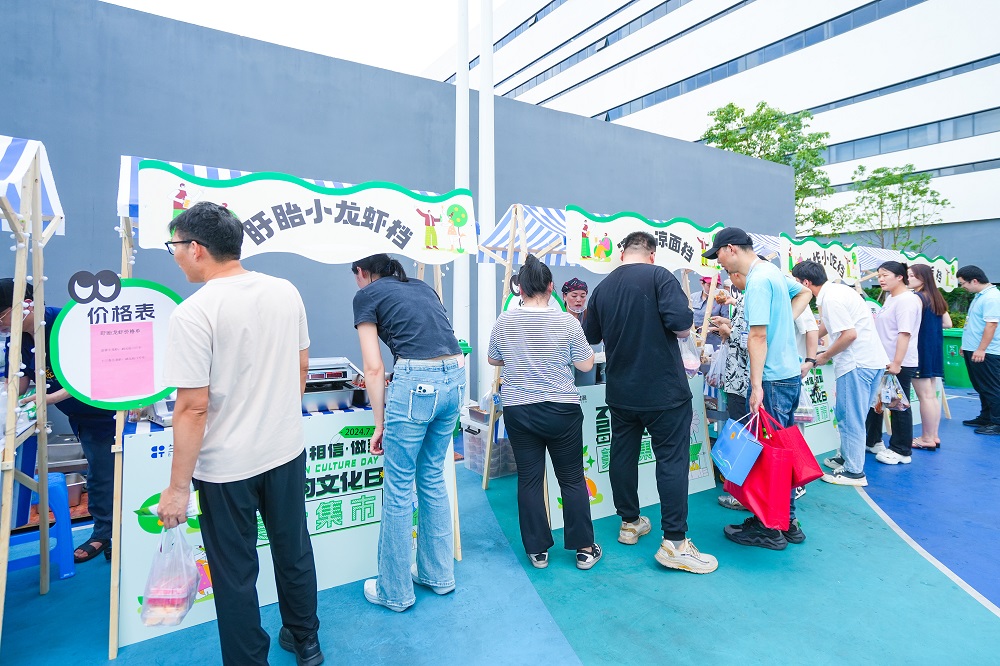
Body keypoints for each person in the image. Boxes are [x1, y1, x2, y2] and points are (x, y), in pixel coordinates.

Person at [155, 202, 322, 666]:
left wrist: (177, 489)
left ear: (196, 248)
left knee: (234, 572)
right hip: (285, 449)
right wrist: (274, 414)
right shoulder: (285, 290)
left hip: (226, 467)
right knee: (293, 548)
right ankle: (306, 640)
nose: (175, 255)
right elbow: (301, 366)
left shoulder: (194, 313)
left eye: (174, 246)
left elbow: (192, 407)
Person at [584, 231, 718, 574]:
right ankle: (674, 542)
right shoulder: (660, 276)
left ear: (622, 254)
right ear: (652, 254)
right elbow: (682, 326)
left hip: (621, 390)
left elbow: (591, 336)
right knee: (672, 460)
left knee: (622, 455)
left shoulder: (603, 287)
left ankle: (629, 522)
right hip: (663, 391)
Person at [351, 253, 465, 609]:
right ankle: (438, 575)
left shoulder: (366, 295)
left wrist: (379, 423)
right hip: (456, 378)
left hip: (417, 385)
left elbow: (372, 368)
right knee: (431, 477)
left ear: (362, 272)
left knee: (399, 487)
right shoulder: (421, 287)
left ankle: (395, 592)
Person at [488, 256, 600, 570]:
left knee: (529, 479)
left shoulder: (504, 320)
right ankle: (584, 549)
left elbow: (493, 359)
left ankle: (537, 551)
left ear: (521, 289)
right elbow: (585, 365)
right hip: (562, 409)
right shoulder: (567, 322)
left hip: (519, 408)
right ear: (551, 287)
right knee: (572, 479)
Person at [704, 228, 812, 550]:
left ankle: (769, 528)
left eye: (719, 256)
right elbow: (805, 293)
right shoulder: (772, 273)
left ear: (731, 249)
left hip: (770, 378)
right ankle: (786, 521)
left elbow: (757, 336)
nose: (721, 265)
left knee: (768, 457)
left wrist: (755, 386)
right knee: (781, 453)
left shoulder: (759, 280)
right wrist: (784, 321)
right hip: (787, 375)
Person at [1, 279, 118, 565]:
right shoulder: (17, 338)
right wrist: (10, 396)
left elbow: (92, 372)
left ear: (26, 305)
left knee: (106, 475)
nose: (1, 325)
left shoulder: (67, 324)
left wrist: (49, 398)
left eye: (1, 316)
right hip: (80, 416)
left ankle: (112, 534)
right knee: (100, 474)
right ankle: (107, 532)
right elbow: (18, 380)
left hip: (107, 412)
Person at [791, 261, 887, 487]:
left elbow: (849, 335)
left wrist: (823, 356)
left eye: (796, 283)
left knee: (851, 417)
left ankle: (855, 472)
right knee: (849, 414)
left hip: (856, 364)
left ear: (806, 283)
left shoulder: (831, 299)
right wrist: (811, 336)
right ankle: (846, 457)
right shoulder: (837, 291)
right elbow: (826, 325)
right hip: (872, 362)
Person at [865, 261, 922, 464]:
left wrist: (897, 362)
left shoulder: (907, 300)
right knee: (877, 403)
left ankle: (901, 450)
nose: (880, 279)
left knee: (899, 406)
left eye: (885, 275)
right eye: (879, 275)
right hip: (884, 360)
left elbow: (904, 334)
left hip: (899, 363)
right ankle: (872, 440)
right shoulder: (891, 297)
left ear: (900, 277)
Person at [710, 271, 750, 511]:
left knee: (743, 435)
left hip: (742, 379)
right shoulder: (748, 297)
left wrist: (727, 332)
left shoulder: (753, 296)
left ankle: (742, 493)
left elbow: (750, 339)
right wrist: (727, 325)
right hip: (741, 380)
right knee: (743, 432)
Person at [909, 263, 951, 449]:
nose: (908, 278)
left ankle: (926, 439)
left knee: (925, 396)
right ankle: (933, 436)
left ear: (922, 278)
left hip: (920, 350)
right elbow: (948, 323)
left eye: (912, 275)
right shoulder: (935, 297)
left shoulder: (917, 298)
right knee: (931, 395)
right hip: (934, 349)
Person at [956, 265, 1000, 435]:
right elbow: (975, 324)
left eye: (963, 283)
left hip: (987, 352)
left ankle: (997, 422)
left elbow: (991, 325)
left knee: (992, 387)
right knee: (981, 386)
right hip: (973, 348)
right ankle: (986, 416)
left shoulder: (992, 298)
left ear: (974, 281)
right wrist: (966, 345)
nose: (963, 287)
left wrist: (981, 349)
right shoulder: (979, 296)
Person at [691, 275, 725, 349]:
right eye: (709, 285)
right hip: (694, 341)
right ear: (702, 283)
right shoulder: (692, 297)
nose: (713, 288)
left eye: (717, 285)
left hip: (713, 343)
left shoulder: (722, 301)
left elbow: (728, 324)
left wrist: (712, 329)